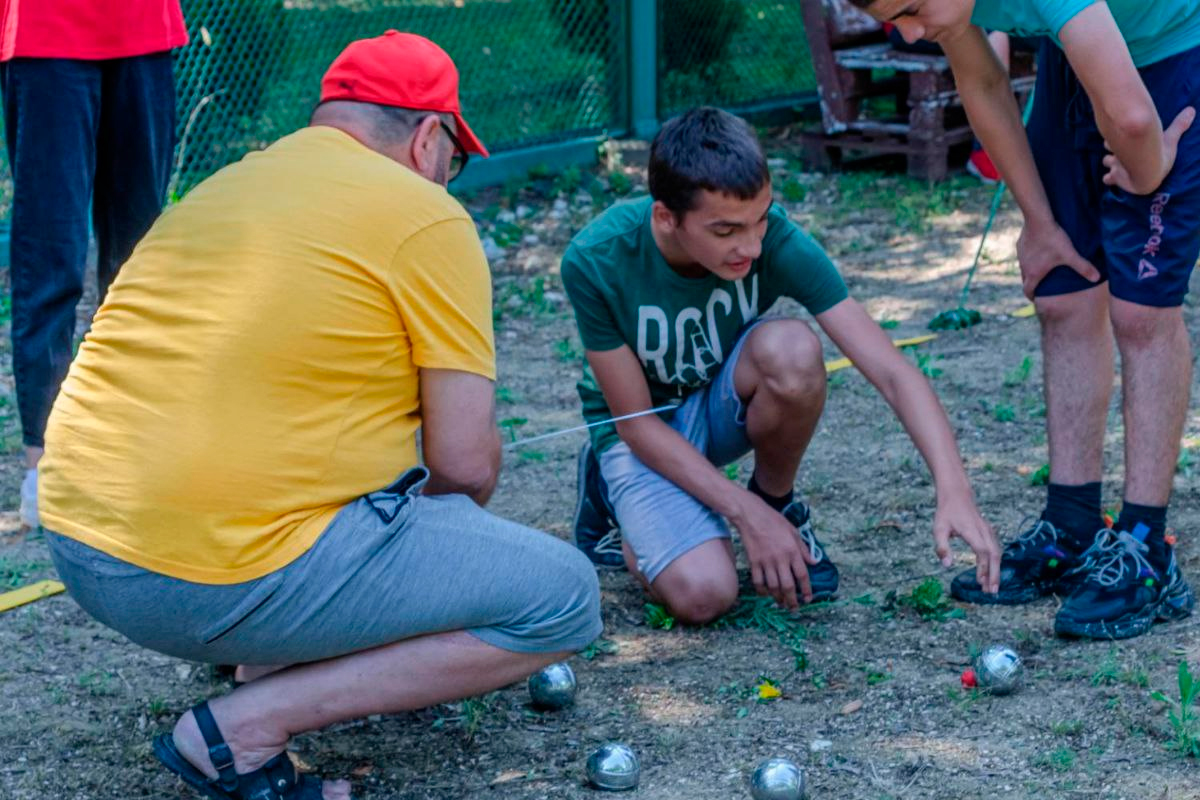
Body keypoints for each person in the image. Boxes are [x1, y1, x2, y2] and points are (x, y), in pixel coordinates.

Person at [38, 31, 601, 799]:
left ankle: (266, 655)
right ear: (427, 138)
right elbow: (465, 466)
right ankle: (241, 732)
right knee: (563, 597)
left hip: (79, 543)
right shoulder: (423, 214)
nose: (448, 177)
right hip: (198, 579)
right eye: (454, 160)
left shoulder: (226, 187)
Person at [565, 106, 1001, 625]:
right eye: (726, 231)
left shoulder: (776, 241)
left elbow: (891, 371)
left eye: (760, 220)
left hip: (717, 402)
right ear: (666, 217)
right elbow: (636, 424)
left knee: (793, 348)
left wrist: (954, 489)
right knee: (703, 595)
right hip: (642, 428)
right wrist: (742, 515)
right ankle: (610, 490)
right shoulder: (598, 259)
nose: (751, 246)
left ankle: (776, 502)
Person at [853, 0, 1199, 640]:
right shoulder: (945, 7)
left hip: (1173, 51)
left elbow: (1130, 117)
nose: (911, 32)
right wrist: (1039, 224)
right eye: (894, 20)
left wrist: (1149, 165)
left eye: (911, 9)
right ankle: (1071, 524)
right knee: (1063, 291)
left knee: (1142, 313)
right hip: (1076, 56)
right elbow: (983, 81)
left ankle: (1146, 548)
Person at [0, 0, 187, 529]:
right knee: (49, 258)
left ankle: (131, 449)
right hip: (45, 34)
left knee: (139, 263)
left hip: (144, 30)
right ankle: (43, 465)